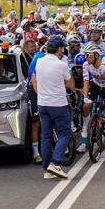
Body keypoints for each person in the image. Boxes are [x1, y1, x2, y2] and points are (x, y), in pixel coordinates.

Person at [34, 37, 75, 179]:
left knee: (46, 136)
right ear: (58, 49)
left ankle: (46, 169)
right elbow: (69, 83)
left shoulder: (39, 62)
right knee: (65, 133)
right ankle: (55, 163)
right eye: (62, 48)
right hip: (57, 104)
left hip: (42, 103)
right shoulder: (61, 64)